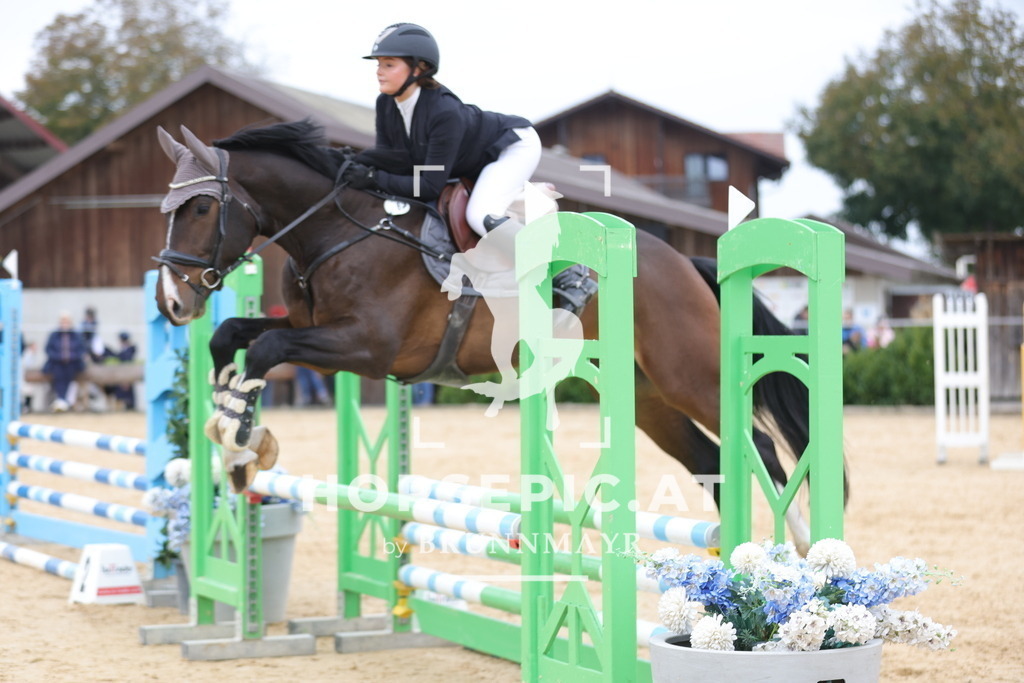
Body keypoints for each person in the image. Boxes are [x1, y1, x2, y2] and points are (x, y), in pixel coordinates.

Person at [347, 23, 594, 310]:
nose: (379, 71)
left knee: (480, 214)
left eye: (389, 64)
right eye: (378, 64)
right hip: (472, 160)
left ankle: (569, 272)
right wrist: (353, 163)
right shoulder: (386, 104)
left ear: (419, 68)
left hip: (514, 147)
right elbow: (393, 158)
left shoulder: (444, 111)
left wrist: (372, 177)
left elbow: (427, 184)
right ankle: (520, 201)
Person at [43, 311, 87, 412]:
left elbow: (81, 350)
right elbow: (48, 350)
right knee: (59, 376)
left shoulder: (76, 335)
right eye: (63, 321)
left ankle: (65, 401)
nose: (64, 323)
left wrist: (71, 357)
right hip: (57, 363)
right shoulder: (54, 335)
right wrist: (59, 357)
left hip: (73, 364)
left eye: (66, 321)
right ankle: (61, 400)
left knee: (70, 377)